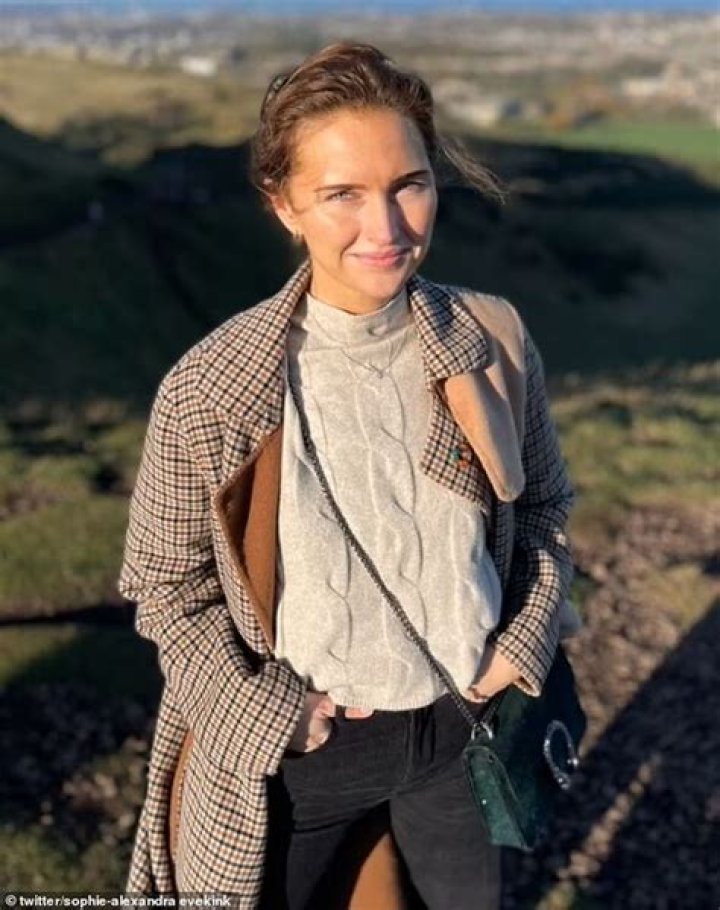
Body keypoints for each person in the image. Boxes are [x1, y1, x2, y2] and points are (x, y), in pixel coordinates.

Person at [118, 41, 578, 910]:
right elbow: (165, 587)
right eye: (342, 195)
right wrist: (269, 716)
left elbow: (547, 509)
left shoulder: (491, 338)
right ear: (283, 204)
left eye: (410, 185)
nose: (388, 227)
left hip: (463, 727)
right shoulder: (209, 389)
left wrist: (519, 646)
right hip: (307, 758)